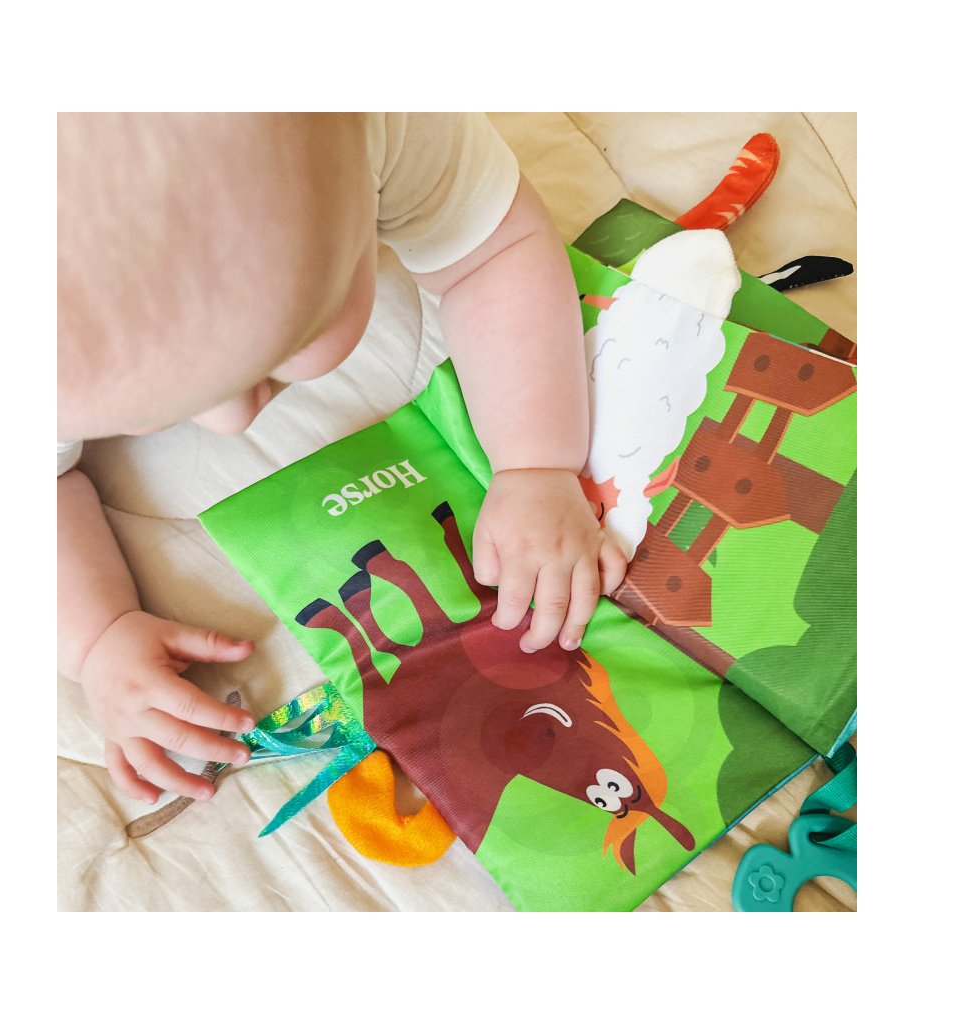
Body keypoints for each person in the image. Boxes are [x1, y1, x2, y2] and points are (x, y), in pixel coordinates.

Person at [58, 112, 628, 807]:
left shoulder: (381, 118)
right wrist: (96, 637)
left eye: (289, 345)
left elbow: (496, 252)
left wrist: (536, 464)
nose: (236, 420)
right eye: (151, 412)